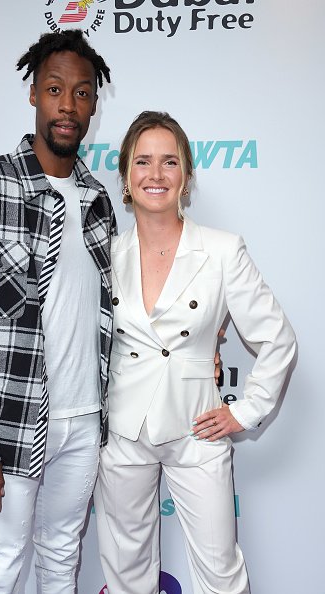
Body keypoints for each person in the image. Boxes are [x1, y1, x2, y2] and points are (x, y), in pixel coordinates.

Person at [0, 30, 114, 594]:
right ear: (34, 94)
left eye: (82, 93)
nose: (68, 106)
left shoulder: (99, 200)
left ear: (94, 105)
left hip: (84, 421)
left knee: (61, 559)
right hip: (12, 424)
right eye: (55, 89)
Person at [93, 111, 297, 594]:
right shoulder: (104, 254)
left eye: (169, 162)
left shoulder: (223, 251)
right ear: (126, 177)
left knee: (220, 572)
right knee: (125, 572)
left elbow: (277, 338)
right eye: (143, 161)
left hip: (196, 430)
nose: (156, 174)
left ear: (186, 176)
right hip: (122, 430)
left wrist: (244, 411)